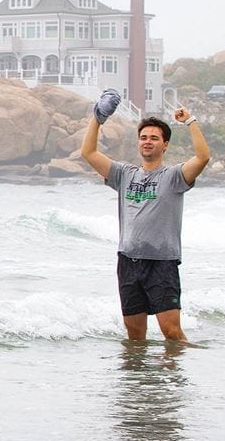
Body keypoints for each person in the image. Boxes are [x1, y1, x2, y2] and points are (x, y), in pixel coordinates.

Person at [80, 92, 210, 341]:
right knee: (135, 334)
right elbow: (88, 152)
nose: (147, 142)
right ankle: (138, 380)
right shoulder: (124, 174)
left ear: (165, 145)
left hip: (162, 262)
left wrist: (190, 121)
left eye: (153, 138)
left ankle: (175, 378)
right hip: (129, 262)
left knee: (171, 332)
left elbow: (203, 157)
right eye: (143, 138)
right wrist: (98, 118)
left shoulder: (173, 177)